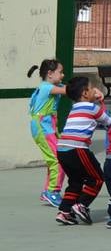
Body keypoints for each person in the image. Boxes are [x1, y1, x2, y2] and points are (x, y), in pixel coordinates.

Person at [54, 77, 111, 226]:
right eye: (93, 88)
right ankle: (81, 205)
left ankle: (65, 212)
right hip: (77, 148)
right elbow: (110, 123)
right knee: (97, 178)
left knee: (75, 181)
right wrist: (101, 101)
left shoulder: (75, 107)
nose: (95, 91)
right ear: (86, 93)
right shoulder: (93, 108)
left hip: (62, 149)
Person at [27, 59, 67, 207]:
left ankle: (47, 191)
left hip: (48, 128)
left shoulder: (53, 86)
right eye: (60, 72)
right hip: (42, 128)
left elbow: (66, 89)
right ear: (50, 74)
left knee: (54, 160)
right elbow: (68, 91)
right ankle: (53, 191)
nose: (63, 75)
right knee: (58, 159)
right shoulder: (46, 87)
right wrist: (85, 88)